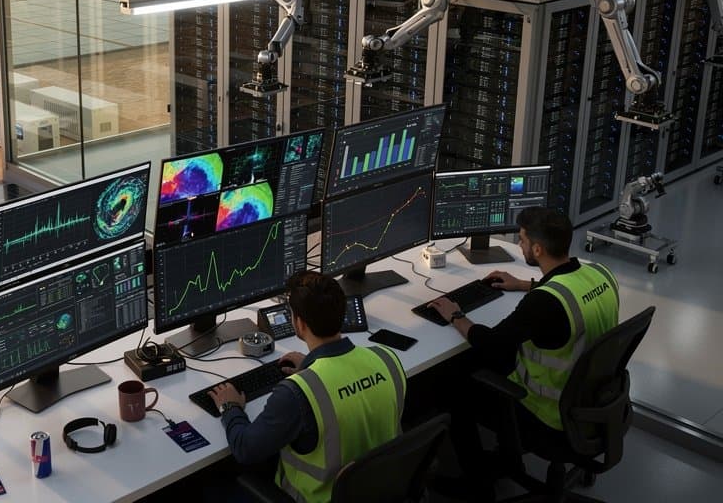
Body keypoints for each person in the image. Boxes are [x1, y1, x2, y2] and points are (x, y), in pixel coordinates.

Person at [427, 206, 620, 501]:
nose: (520, 245)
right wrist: (523, 284)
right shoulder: (600, 272)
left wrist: (456, 315)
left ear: (538, 249)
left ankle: (477, 485)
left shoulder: (544, 303)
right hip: (595, 399)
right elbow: (566, 290)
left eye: (522, 240)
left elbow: (490, 343)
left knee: (455, 388)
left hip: (549, 413)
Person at [208, 270, 406, 503]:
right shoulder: (387, 358)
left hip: (315, 498)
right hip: (381, 491)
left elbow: (245, 449)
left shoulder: (297, 393)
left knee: (213, 488)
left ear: (298, 323)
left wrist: (230, 407)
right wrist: (312, 367)